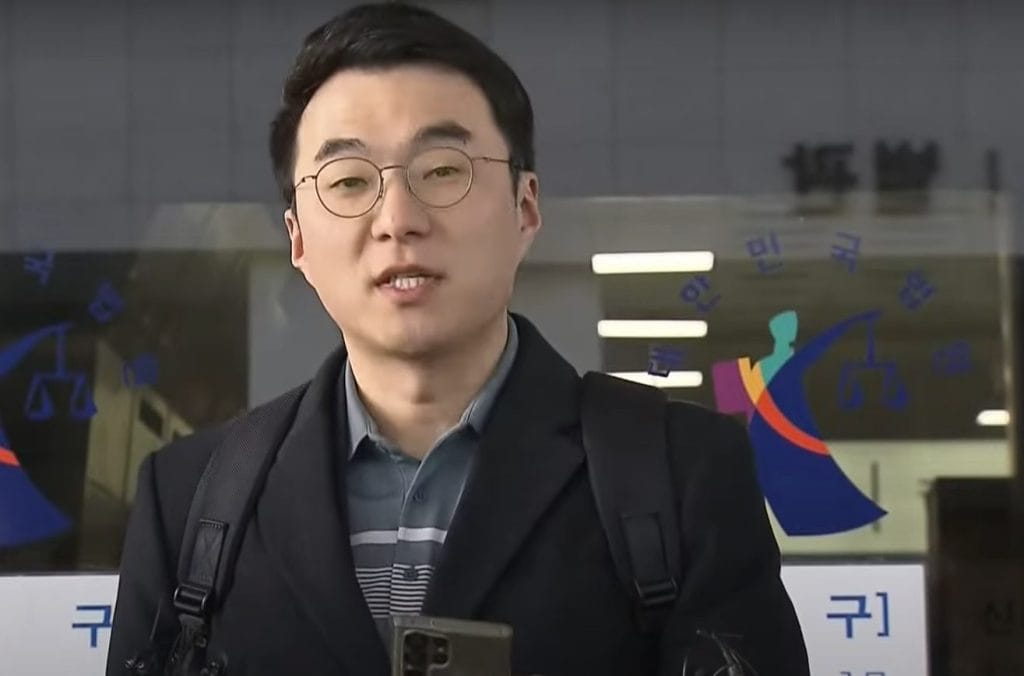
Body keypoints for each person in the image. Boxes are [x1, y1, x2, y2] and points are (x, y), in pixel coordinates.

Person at [107, 3, 809, 675]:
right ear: (298, 241)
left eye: (442, 169)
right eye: (349, 181)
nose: (397, 219)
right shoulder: (190, 499)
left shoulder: (682, 474)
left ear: (525, 208)